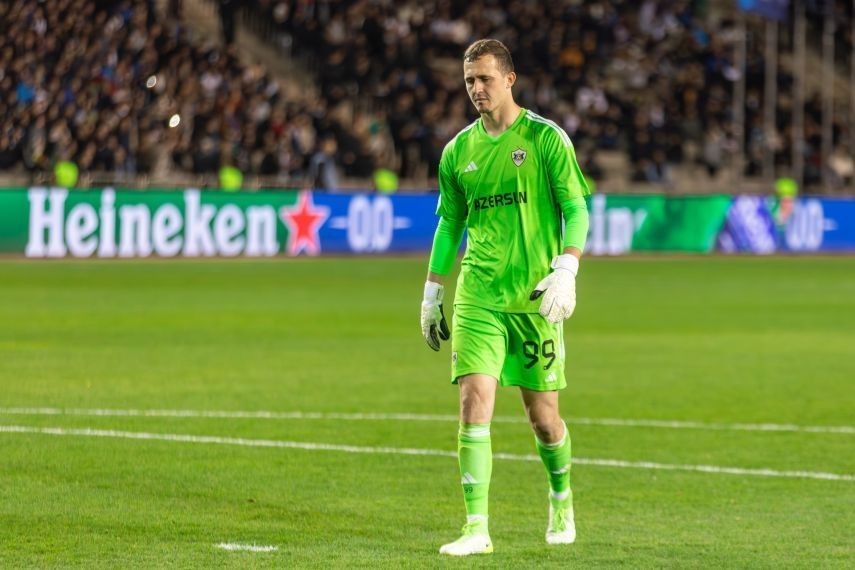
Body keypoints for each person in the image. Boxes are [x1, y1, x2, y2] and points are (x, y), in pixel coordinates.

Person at [420, 39, 590, 556]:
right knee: (473, 403)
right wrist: (432, 290)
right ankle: (477, 528)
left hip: (536, 298)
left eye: (485, 79)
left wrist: (567, 268)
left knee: (544, 419)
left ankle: (561, 497)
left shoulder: (545, 138)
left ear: (510, 79)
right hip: (479, 296)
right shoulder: (457, 152)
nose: (477, 88)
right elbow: (450, 225)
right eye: (469, 80)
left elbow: (577, 209)